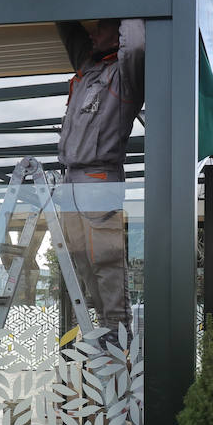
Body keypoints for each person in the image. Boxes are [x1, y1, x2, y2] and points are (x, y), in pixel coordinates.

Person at [55, 19, 145, 349]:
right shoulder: (89, 66)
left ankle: (118, 332)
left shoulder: (124, 75)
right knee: (79, 258)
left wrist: (128, 5)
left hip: (99, 177)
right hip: (71, 179)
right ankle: (104, 326)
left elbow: (135, 43)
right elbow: (67, 27)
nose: (91, 34)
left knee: (105, 259)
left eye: (100, 27)